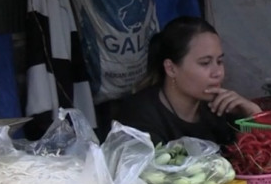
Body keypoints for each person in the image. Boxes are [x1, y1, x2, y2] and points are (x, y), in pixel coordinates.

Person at [110, 17, 261, 145]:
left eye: (219, 61)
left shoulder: (220, 109)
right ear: (171, 68)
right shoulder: (138, 116)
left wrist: (254, 114)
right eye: (205, 63)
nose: (218, 73)